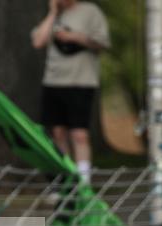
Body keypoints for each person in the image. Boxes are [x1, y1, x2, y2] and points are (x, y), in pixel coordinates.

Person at [31, 0, 110, 183]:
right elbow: (38, 41)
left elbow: (102, 43)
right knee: (58, 132)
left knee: (79, 134)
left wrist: (74, 37)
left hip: (81, 82)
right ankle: (65, 180)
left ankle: (83, 181)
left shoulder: (90, 11)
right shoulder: (54, 16)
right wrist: (52, 13)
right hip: (53, 82)